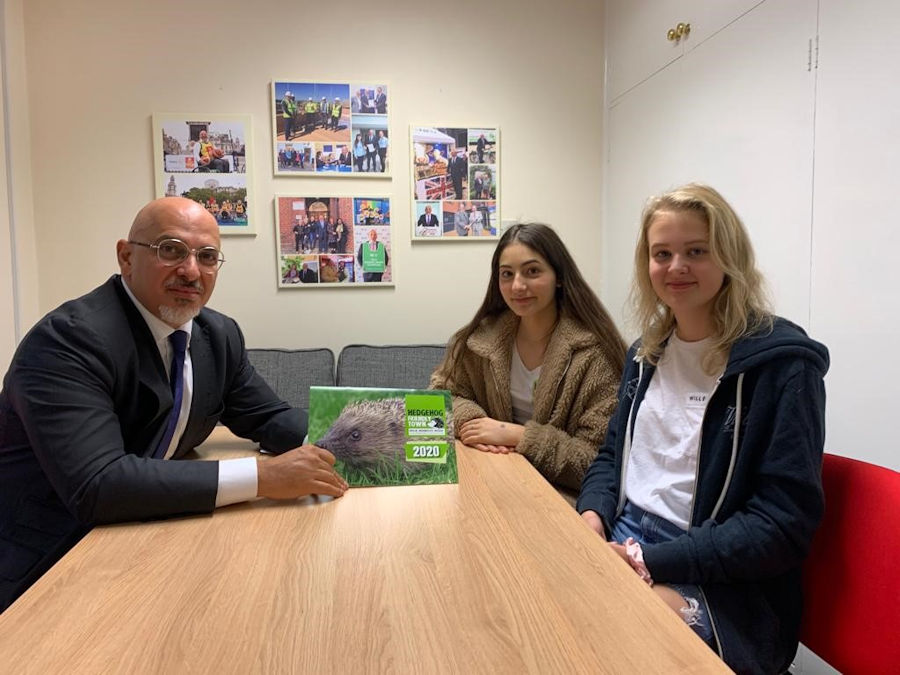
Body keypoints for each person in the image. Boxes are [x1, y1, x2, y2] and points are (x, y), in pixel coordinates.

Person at [0, 197, 348, 612]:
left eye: (207, 257)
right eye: (171, 250)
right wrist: (264, 476)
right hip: (53, 560)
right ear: (126, 257)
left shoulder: (217, 334)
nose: (191, 271)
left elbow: (267, 416)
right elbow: (98, 485)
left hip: (151, 536)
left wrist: (357, 444)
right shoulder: (68, 341)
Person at [576, 184, 828, 675]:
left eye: (696, 251)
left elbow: (781, 526)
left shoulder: (782, 365)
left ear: (729, 258)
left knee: (608, 639)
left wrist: (651, 559)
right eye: (661, 254)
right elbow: (611, 456)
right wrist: (591, 516)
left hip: (720, 577)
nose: (676, 268)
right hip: (624, 536)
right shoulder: (644, 354)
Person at [430, 223, 626, 500]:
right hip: (489, 478)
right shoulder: (481, 339)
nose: (518, 286)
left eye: (532, 271)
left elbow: (594, 463)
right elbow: (442, 397)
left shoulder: (595, 355)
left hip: (559, 497)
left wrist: (517, 436)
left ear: (559, 277)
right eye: (507, 274)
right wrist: (474, 423)